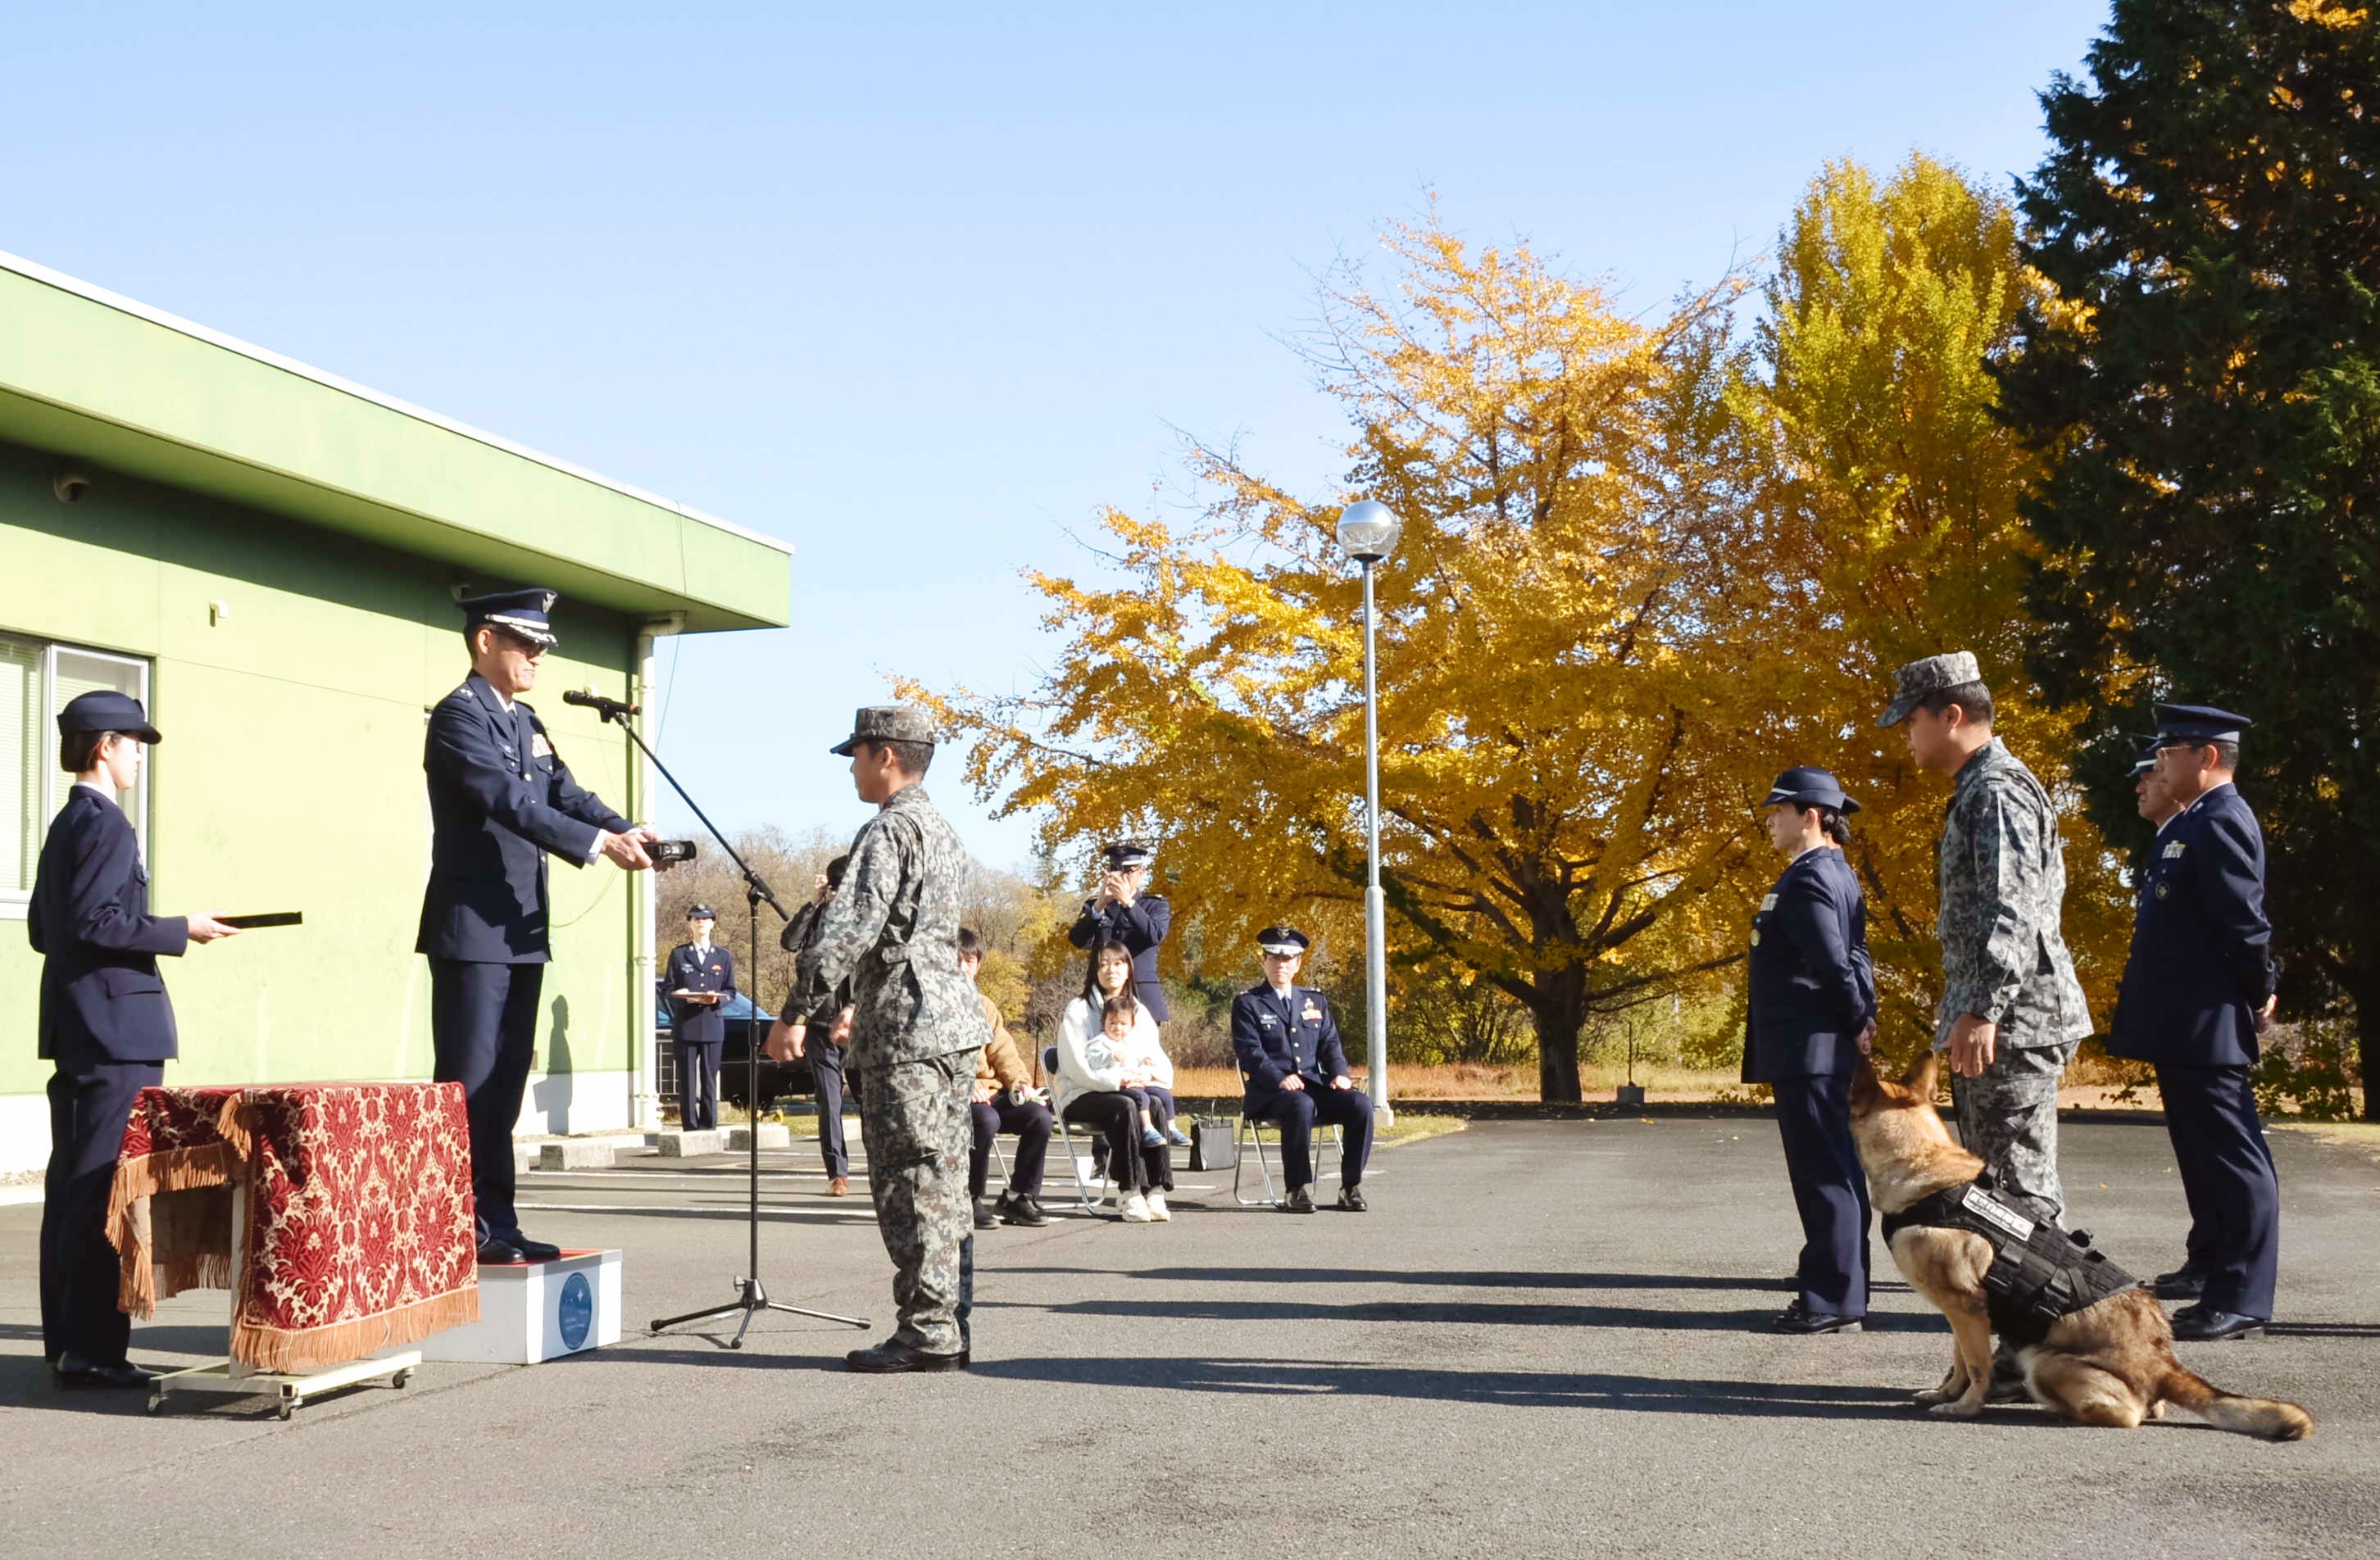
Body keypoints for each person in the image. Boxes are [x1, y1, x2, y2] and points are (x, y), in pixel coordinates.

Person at [418, 587, 665, 1264]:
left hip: (521, 930)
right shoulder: (458, 718)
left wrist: (621, 826)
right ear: (484, 641)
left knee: (504, 1090)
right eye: (525, 643)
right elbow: (507, 801)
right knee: (468, 1084)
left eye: (542, 647)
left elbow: (563, 793)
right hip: (472, 931)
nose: (537, 656)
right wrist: (595, 845)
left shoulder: (525, 721)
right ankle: (458, 1224)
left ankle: (497, 1220)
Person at [31, 691, 240, 1390]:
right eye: (133, 746)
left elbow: (45, 930)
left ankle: (69, 1342)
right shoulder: (107, 825)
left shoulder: (66, 824)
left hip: (80, 1027)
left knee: (75, 1187)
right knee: (100, 1192)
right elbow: (97, 923)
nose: (138, 759)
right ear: (103, 748)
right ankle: (92, 1349)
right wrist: (181, 928)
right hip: (113, 1033)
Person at [774, 705, 988, 1372]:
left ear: (886, 756)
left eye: (857, 756)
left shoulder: (889, 830)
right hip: (952, 1023)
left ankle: (927, 1332)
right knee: (948, 1182)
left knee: (909, 1182)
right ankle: (949, 1323)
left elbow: (847, 932)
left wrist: (796, 1011)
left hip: (908, 1025)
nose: (853, 769)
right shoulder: (943, 831)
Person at [1878, 651, 2092, 1227]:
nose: (1906, 735)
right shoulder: (1980, 788)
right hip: (1999, 1021)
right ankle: (2019, 1314)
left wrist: (1982, 1008)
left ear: (1950, 716)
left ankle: (2055, 1313)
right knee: (1997, 1193)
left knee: (2020, 1199)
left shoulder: (1997, 791)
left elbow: (2010, 909)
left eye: (1911, 720)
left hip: (2013, 1022)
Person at [2105, 705, 2282, 1341]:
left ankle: (2243, 1296)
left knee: (2236, 1161)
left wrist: (2260, 991)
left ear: (2207, 757)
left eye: (2170, 751)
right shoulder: (2196, 822)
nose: (2159, 763)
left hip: (2208, 1022)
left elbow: (2245, 925)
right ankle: (2214, 1270)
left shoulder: (2223, 819)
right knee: (2207, 1156)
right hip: (2183, 1022)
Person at [1744, 768, 1878, 1336]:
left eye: (1779, 809)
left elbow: (1834, 962)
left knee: (1823, 1173)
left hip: (1812, 1048)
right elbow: (1859, 957)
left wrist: (1856, 1019)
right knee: (1833, 1169)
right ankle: (1836, 1286)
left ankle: (1832, 1298)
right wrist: (1862, 1015)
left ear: (1811, 816)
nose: (1770, 819)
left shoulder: (1811, 878)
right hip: (1817, 1046)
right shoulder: (1831, 872)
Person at [1229, 926, 1374, 1213]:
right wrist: (1280, 1078)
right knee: (1300, 1104)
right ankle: (1296, 1189)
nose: (1280, 964)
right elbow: (1250, 1053)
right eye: (1274, 958)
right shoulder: (1248, 1003)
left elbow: (1330, 1043)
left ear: (1297, 965)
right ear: (1264, 961)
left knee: (1360, 1104)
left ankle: (1350, 1187)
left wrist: (1339, 1075)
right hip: (1271, 1092)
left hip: (1312, 1086)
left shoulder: (1314, 1000)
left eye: (1287, 959)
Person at [1053, 937, 1176, 1222]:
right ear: (1094, 970)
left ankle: (1155, 1189)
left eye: (1119, 963)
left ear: (1129, 969)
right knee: (1125, 1105)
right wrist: (1119, 1080)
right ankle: (1129, 1190)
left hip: (1129, 1091)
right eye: (1104, 963)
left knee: (1156, 1102)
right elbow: (1076, 1068)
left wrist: (1149, 1075)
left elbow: (1160, 1063)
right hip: (1083, 1094)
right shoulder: (1078, 1010)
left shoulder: (1138, 1012)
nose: (1112, 970)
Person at [957, 927, 1052, 1229]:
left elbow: (1003, 1051)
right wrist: (965, 1085)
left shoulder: (986, 1006)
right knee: (984, 1120)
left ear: (978, 966)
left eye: (969, 962)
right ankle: (968, 1199)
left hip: (990, 1091)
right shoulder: (930, 1006)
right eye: (955, 960)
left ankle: (1019, 1196)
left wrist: (1021, 1083)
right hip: (956, 1096)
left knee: (1039, 1117)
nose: (962, 968)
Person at [770, 854, 853, 1194]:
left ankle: (882, 1170)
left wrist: (853, 1006)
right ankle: (838, 1173)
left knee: (872, 1098)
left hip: (859, 1022)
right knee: (829, 1100)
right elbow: (790, 942)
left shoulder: (866, 918)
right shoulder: (818, 915)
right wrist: (813, 903)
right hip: (820, 1022)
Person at [1069, 841, 1170, 1023]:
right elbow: (1078, 940)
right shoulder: (1096, 905)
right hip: (1103, 992)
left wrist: (1128, 903)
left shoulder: (1154, 904)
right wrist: (1100, 905)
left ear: (1141, 872)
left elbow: (1155, 935)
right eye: (1115, 870)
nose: (1121, 877)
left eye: (1128, 871)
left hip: (1141, 993)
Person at [665, 905, 735, 1131]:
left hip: (712, 1024)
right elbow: (667, 989)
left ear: (713, 923)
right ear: (690, 924)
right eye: (696, 919)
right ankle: (690, 1126)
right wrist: (682, 996)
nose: (700, 923)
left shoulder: (722, 956)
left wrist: (718, 1000)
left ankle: (708, 1125)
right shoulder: (679, 954)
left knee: (709, 1078)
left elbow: (731, 991)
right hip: (686, 1024)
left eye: (705, 919)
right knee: (687, 1079)